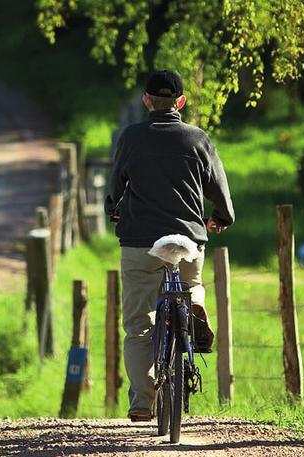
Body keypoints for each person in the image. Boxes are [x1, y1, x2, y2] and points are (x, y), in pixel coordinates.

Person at [105, 70, 235, 422]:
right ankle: (193, 304)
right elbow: (219, 188)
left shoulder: (131, 138)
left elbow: (116, 186)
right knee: (192, 284)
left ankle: (143, 401)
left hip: (140, 244)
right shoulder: (197, 139)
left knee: (138, 326)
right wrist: (222, 217)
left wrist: (113, 208)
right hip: (187, 239)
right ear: (181, 102)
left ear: (147, 101)